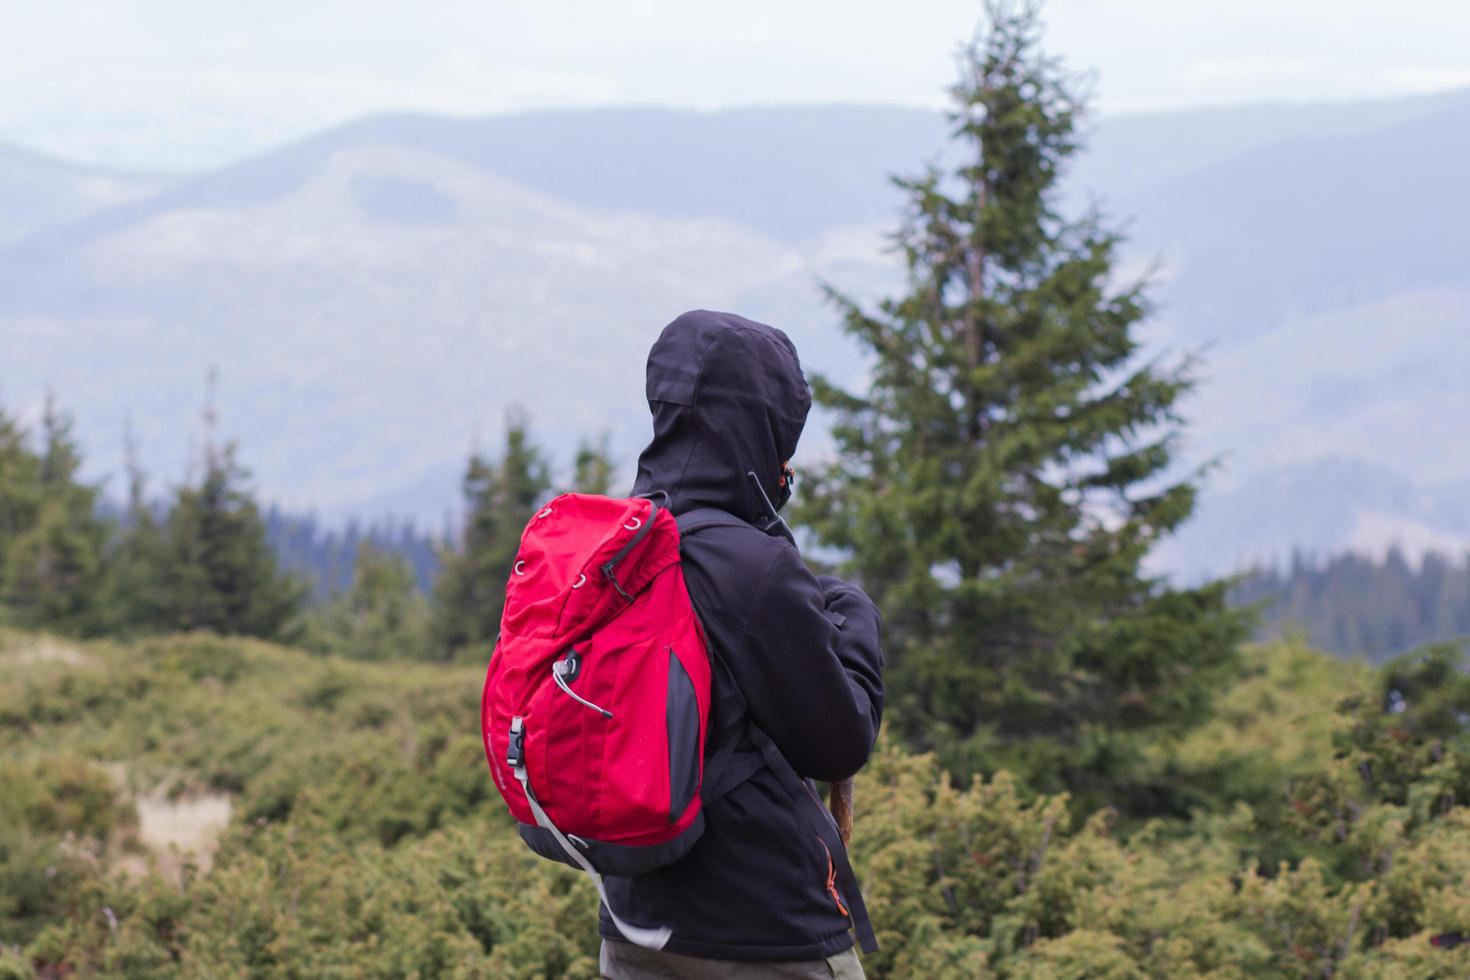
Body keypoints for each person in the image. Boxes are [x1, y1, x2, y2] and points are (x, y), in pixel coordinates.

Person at [599, 309, 885, 979]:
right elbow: (840, 742)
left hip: (636, 918)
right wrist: (855, 614)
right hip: (765, 930)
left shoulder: (621, 542)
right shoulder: (754, 567)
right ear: (763, 427)